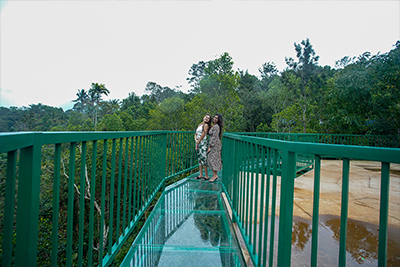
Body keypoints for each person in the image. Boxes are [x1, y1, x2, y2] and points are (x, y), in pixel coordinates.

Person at [194, 114, 212, 180]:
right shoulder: (200, 124)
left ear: (209, 120)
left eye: (208, 118)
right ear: (203, 117)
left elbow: (203, 134)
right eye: (206, 117)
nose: (206, 118)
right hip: (198, 142)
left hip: (203, 142)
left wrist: (199, 141)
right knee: (199, 159)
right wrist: (196, 141)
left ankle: (206, 175)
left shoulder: (206, 125)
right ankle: (201, 174)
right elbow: (196, 134)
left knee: (203, 158)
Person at [207, 114, 223, 182]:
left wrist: (210, 146)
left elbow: (214, 137)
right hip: (214, 144)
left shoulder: (216, 127)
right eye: (214, 117)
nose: (215, 119)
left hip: (215, 145)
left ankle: (215, 176)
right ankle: (215, 175)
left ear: (219, 120)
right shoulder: (214, 125)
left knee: (213, 159)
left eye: (216, 118)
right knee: (212, 159)